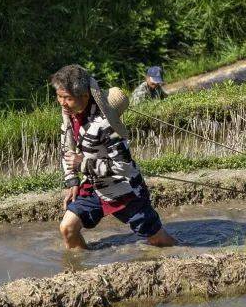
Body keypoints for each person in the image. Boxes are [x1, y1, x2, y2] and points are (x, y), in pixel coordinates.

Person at [52, 64, 177, 249]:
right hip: (95, 186)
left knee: (158, 240)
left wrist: (84, 164)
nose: (62, 103)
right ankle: (83, 271)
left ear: (85, 96)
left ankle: (186, 253)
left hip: (124, 190)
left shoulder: (106, 124)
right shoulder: (70, 114)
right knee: (67, 228)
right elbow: (66, 149)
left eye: (67, 98)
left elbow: (123, 166)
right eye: (59, 97)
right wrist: (72, 181)